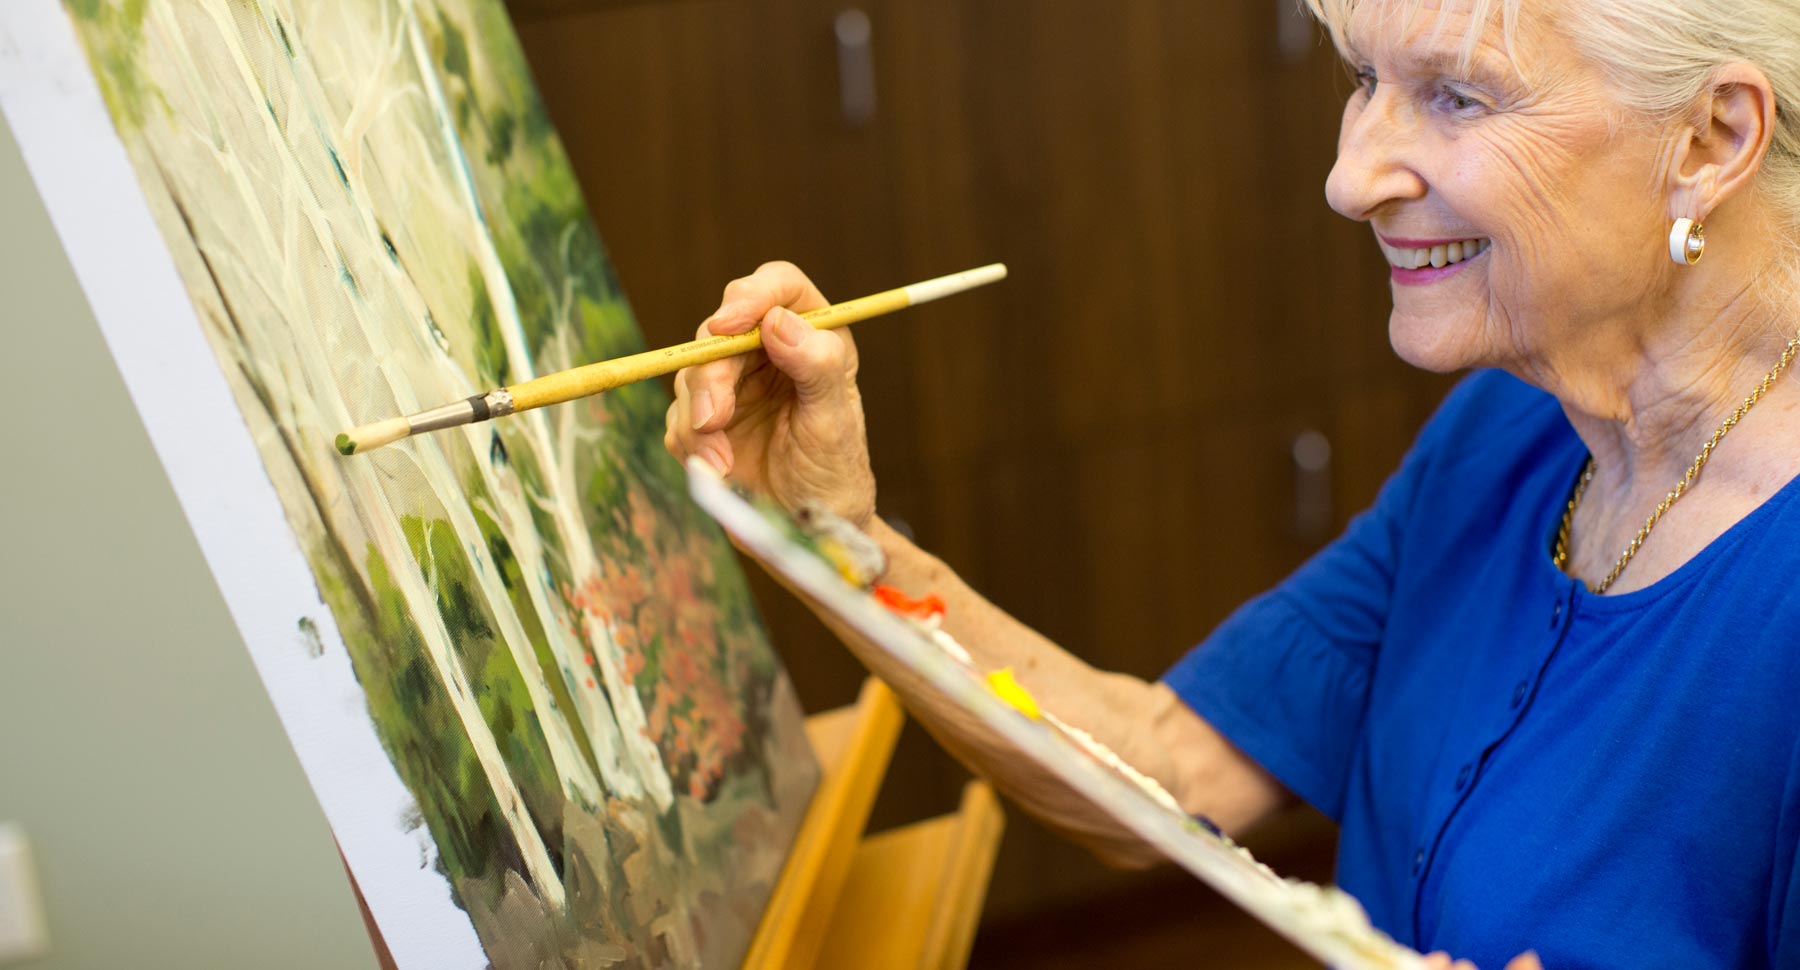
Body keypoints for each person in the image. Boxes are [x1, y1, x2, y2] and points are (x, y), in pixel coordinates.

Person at [664, 0, 1800, 965]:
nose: (1350, 178)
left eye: (1458, 97)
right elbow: (1162, 765)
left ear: (1709, 139)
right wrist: (831, 529)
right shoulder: (1504, 433)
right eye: (1363, 78)